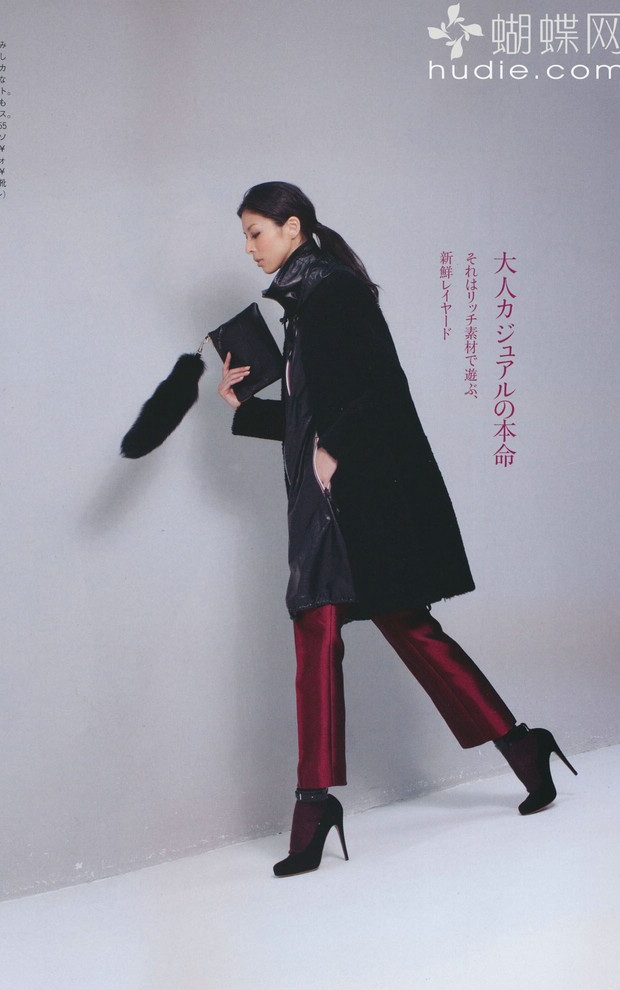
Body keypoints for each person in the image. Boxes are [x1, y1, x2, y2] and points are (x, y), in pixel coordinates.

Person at [218, 181, 576, 877]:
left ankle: (517, 746)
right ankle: (320, 799)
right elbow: (309, 415)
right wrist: (243, 406)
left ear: (293, 227)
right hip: (325, 505)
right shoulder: (303, 303)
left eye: (256, 232)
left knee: (399, 630)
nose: (250, 248)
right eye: (246, 236)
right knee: (327, 633)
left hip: (358, 501)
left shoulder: (334, 294)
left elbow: (381, 387)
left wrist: (335, 446)